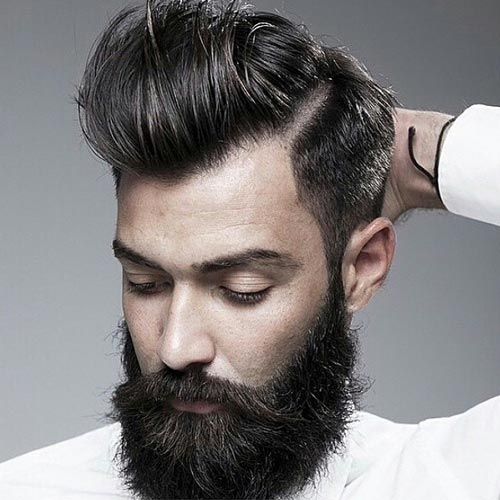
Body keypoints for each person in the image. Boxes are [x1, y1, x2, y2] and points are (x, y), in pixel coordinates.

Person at [1, 1, 499, 499]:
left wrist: (420, 150)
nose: (176, 349)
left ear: (362, 267)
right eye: (145, 283)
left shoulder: (451, 482)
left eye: (243, 289)